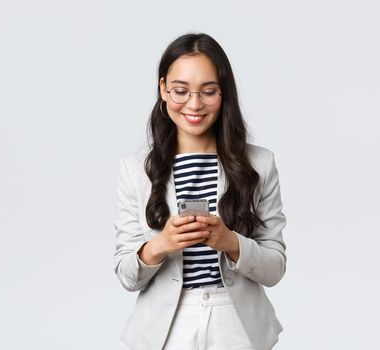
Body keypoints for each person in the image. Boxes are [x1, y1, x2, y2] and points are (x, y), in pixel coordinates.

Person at [113, 33, 287, 350]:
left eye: (208, 92)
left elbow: (274, 268)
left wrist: (231, 243)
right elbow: (127, 275)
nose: (194, 104)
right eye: (181, 91)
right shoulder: (135, 169)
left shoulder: (259, 164)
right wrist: (160, 244)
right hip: (165, 327)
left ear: (224, 94)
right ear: (163, 88)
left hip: (238, 322)